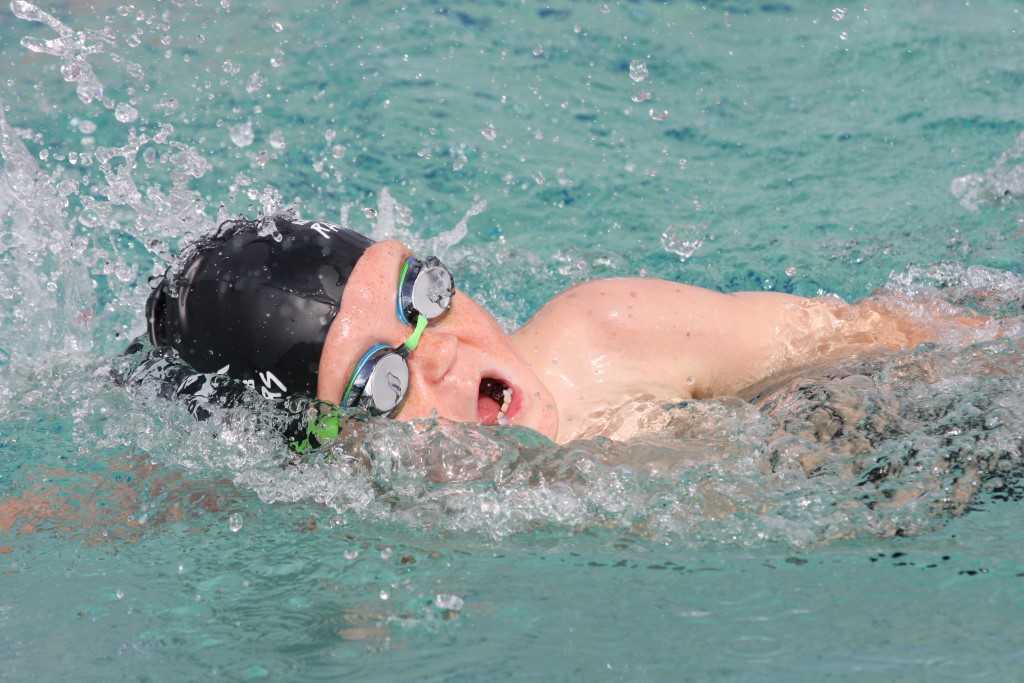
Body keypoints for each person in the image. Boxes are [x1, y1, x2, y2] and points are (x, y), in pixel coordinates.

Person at [140, 213, 996, 449]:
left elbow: (894, 336)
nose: (444, 351)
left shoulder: (608, 335)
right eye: (379, 384)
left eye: (422, 293)